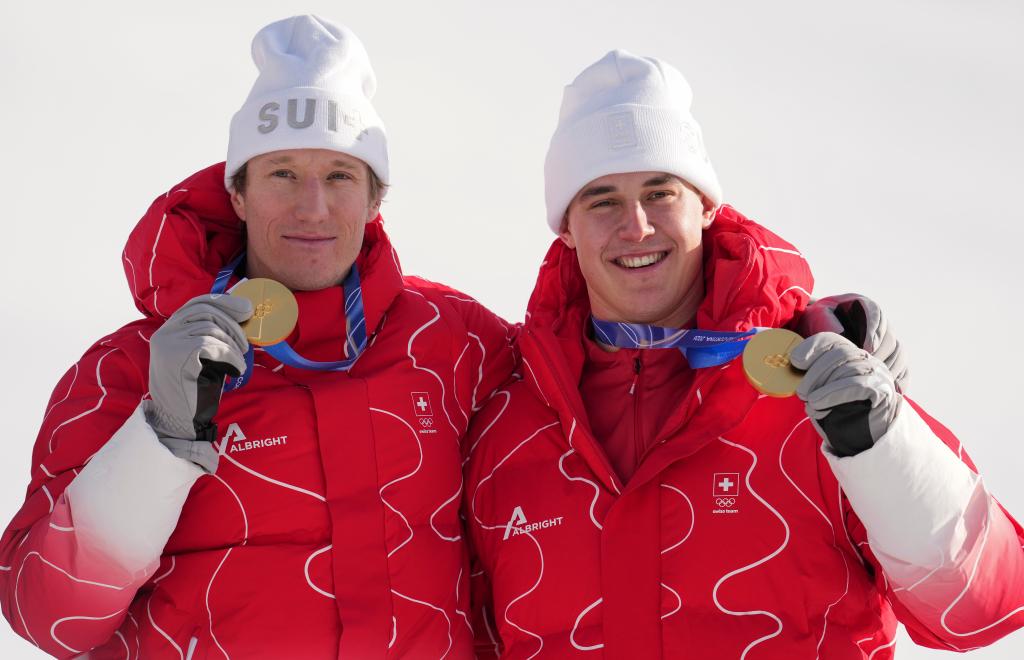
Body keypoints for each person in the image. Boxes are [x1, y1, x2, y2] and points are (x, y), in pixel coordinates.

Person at [465, 50, 1024, 658]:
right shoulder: (506, 425)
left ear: (707, 206)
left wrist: (882, 449)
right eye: (601, 200)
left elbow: (981, 606)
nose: (636, 225)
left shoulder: (815, 385)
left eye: (660, 192)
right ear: (566, 228)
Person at [0, 15, 515, 658]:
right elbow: (48, 616)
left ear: (375, 200)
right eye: (281, 173)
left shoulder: (458, 341)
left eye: (340, 175)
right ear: (238, 194)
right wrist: (161, 439)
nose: (312, 207)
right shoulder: (129, 366)